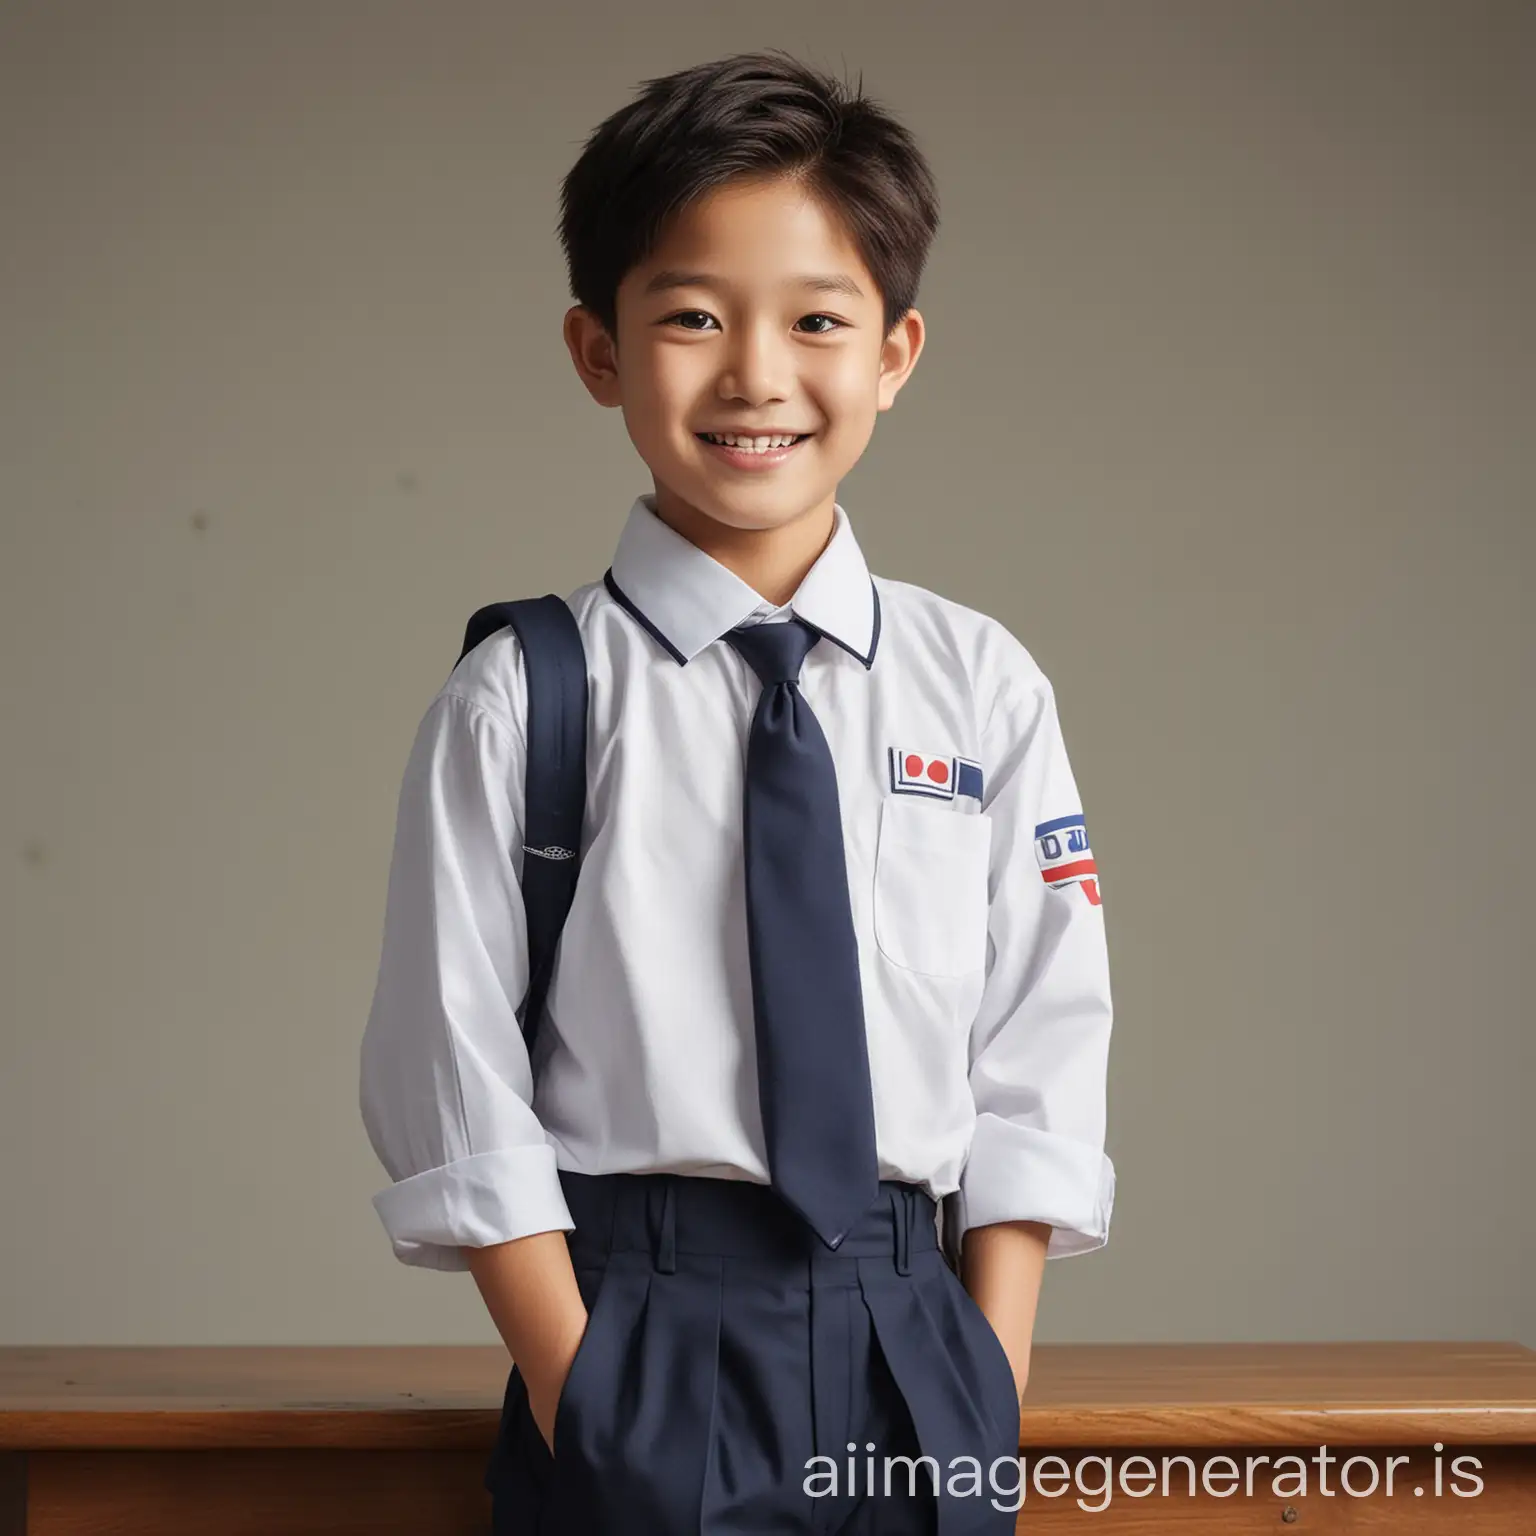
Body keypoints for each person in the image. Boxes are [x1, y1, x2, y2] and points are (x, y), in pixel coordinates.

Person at [359, 48, 1115, 1536]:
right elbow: (446, 1061)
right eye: (693, 317)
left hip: (920, 1332)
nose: (757, 374)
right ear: (598, 350)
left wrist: (985, 1380)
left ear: (894, 354)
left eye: (817, 321)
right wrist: (590, 1392)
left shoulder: (980, 683)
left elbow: (1041, 1037)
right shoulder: (528, 692)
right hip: (646, 1323)